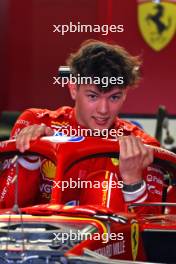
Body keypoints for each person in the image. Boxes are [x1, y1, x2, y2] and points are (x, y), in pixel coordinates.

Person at [0, 40, 165, 212]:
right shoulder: (35, 123)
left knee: (103, 184)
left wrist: (133, 181)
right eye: (93, 96)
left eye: (114, 97)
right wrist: (30, 159)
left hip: (106, 238)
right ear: (73, 89)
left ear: (125, 94)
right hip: (39, 237)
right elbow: (5, 211)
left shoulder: (143, 147)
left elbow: (151, 233)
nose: (103, 110)